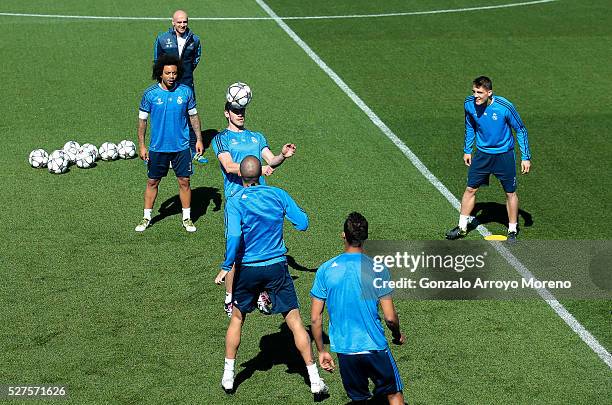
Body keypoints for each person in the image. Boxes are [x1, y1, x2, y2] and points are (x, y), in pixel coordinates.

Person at [214, 156, 328, 396]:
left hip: (247, 269)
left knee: (237, 318)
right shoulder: (278, 194)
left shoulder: (235, 201)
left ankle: (228, 377)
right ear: (260, 175)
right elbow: (303, 223)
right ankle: (315, 380)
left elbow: (234, 237)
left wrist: (226, 266)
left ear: (241, 177)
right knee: (295, 321)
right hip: (277, 266)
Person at [213, 96, 297, 317]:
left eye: (242, 110)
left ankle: (259, 291)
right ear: (226, 112)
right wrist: (258, 169)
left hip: (260, 200)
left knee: (259, 246)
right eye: (235, 110)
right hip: (237, 201)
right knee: (236, 247)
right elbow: (229, 166)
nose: (240, 114)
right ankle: (230, 298)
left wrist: (282, 156)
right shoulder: (221, 139)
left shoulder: (256, 137)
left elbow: (270, 159)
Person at [310, 212, 406, 404]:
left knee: (359, 399)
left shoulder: (326, 269)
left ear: (343, 235)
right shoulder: (377, 268)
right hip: (375, 346)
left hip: (345, 350)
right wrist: (397, 334)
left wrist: (322, 351)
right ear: (365, 237)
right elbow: (390, 317)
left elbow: (315, 318)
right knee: (394, 393)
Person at [446, 76, 531, 242]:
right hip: (482, 154)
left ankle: (512, 230)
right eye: (474, 91)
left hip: (504, 155)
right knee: (470, 189)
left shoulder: (504, 107)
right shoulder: (469, 104)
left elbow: (520, 129)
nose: (476, 95)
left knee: (510, 192)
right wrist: (467, 150)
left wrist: (525, 157)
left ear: (489, 93)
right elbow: (470, 125)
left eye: (480, 92)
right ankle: (462, 227)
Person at [135, 54, 204, 232]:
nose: (171, 77)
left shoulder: (185, 92)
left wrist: (199, 139)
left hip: (181, 147)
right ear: (160, 74)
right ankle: (146, 217)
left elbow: (193, 116)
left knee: (184, 181)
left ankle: (187, 218)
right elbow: (142, 121)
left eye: (174, 73)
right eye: (168, 73)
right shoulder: (150, 94)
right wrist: (142, 145)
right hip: (158, 147)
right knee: (152, 182)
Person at [154, 10, 205, 162]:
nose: (182, 25)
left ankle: (193, 150)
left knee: (190, 114)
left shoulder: (194, 40)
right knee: (168, 114)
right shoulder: (163, 39)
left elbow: (196, 58)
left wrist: (185, 72)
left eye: (185, 22)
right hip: (168, 83)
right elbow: (157, 60)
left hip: (187, 83)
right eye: (179, 22)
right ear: (173, 22)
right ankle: (166, 150)